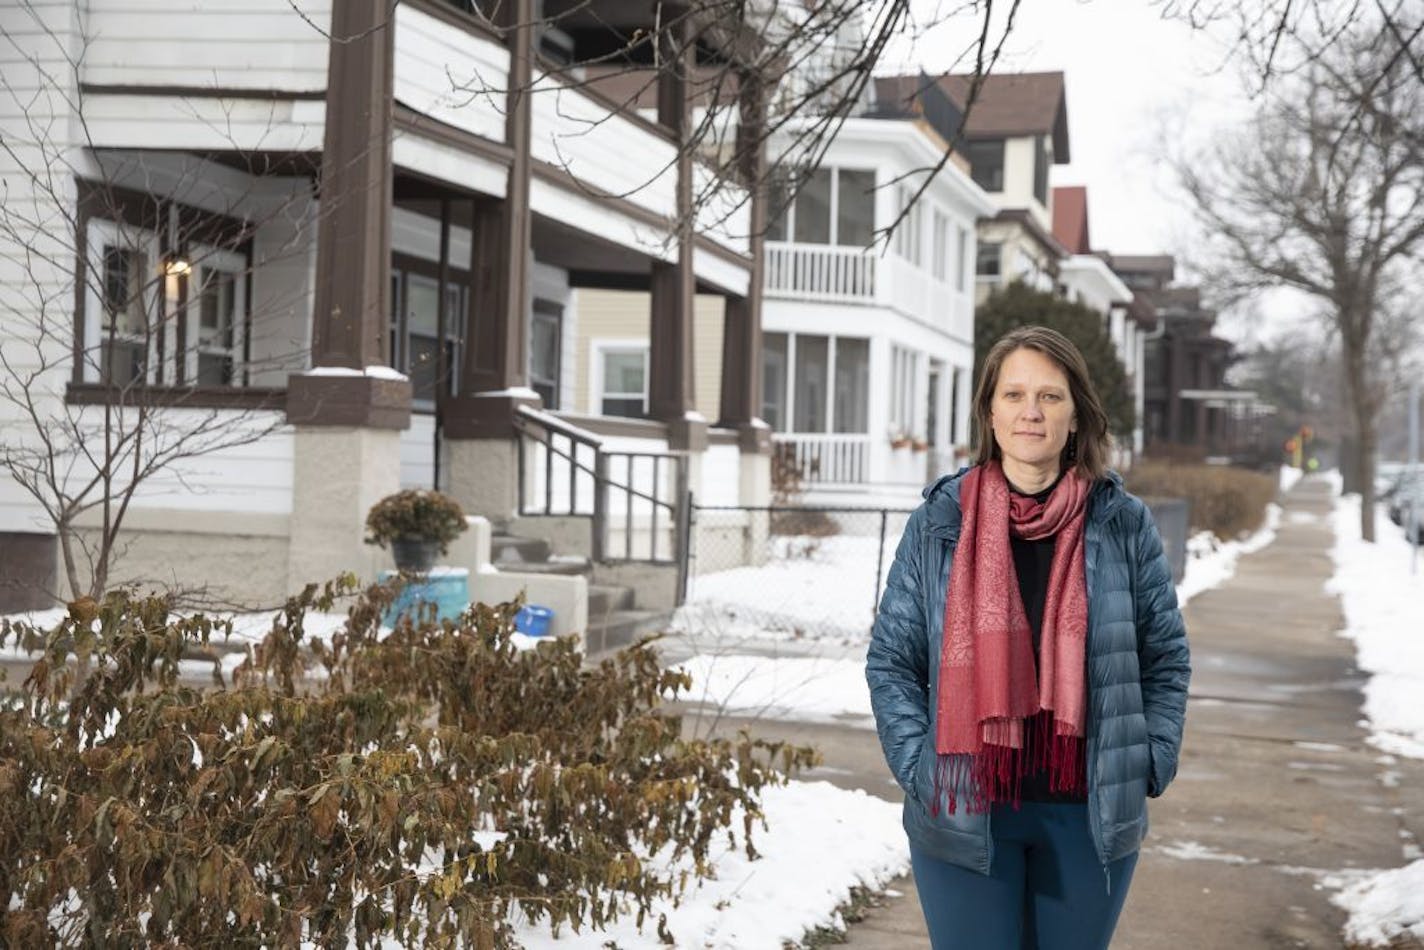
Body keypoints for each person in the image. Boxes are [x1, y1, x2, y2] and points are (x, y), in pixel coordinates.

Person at [866, 325, 1190, 949]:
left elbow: (1165, 659)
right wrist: (921, 768)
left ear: (1077, 416)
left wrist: (1150, 757)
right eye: (1014, 395)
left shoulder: (1122, 524)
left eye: (1050, 396)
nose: (1031, 412)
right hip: (965, 803)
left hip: (1089, 814)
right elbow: (892, 662)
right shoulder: (940, 521)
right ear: (990, 411)